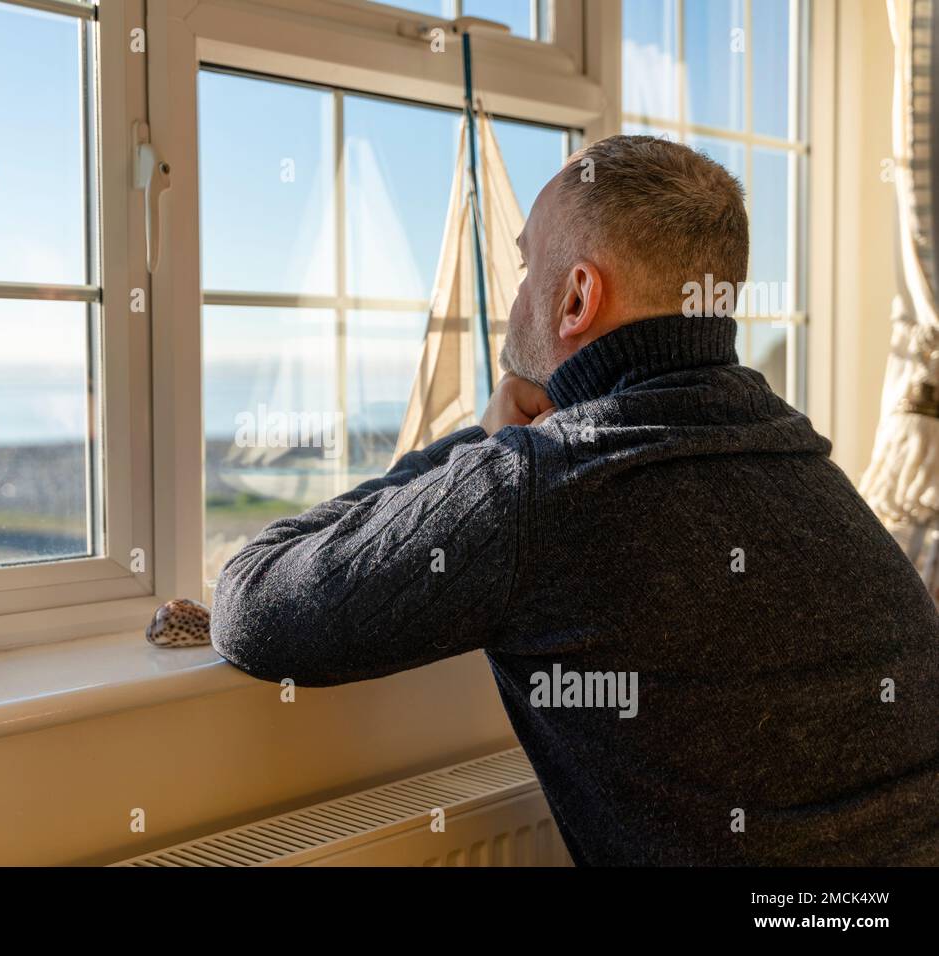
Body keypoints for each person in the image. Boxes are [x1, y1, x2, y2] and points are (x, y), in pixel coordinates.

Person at [209, 135, 939, 866]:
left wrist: (479, 447)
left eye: (527, 266)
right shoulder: (803, 457)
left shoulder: (547, 484)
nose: (517, 293)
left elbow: (254, 602)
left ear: (578, 297)